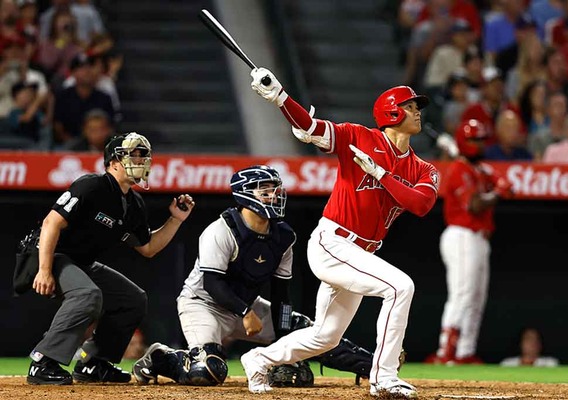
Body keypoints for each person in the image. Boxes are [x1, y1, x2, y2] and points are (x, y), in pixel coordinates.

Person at [239, 67, 440, 398]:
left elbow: (420, 204)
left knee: (325, 336)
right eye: (410, 105)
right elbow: (311, 128)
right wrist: (280, 97)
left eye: (417, 106)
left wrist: (379, 174)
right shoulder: (360, 136)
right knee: (400, 287)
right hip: (333, 242)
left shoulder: (423, 167)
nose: (417, 111)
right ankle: (384, 376)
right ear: (391, 111)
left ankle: (258, 359)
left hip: (361, 253)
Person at [132, 165, 376, 387]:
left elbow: (282, 294)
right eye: (265, 190)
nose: (274, 195)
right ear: (244, 195)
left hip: (246, 306)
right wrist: (245, 313)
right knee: (207, 371)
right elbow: (212, 283)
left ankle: (372, 364)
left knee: (304, 329)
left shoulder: (283, 236)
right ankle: (161, 357)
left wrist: (285, 344)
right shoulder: (220, 230)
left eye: (274, 189)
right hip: (204, 304)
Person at [14, 132, 195, 385]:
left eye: (143, 155)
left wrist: (175, 219)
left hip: (82, 262)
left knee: (132, 299)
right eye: (133, 154)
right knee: (88, 295)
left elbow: (148, 248)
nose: (141, 160)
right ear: (114, 161)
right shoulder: (92, 185)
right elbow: (50, 223)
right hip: (50, 254)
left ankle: (93, 364)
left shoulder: (133, 204)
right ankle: (43, 362)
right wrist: (44, 269)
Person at [426, 119, 512, 365]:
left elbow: (507, 187)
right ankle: (445, 351)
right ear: (465, 142)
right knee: (462, 294)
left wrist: (498, 184)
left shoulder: (478, 170)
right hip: (462, 234)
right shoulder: (459, 170)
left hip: (480, 238)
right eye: (474, 140)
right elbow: (474, 205)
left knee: (476, 298)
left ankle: (464, 351)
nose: (479, 145)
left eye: (482, 140)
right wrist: (497, 193)